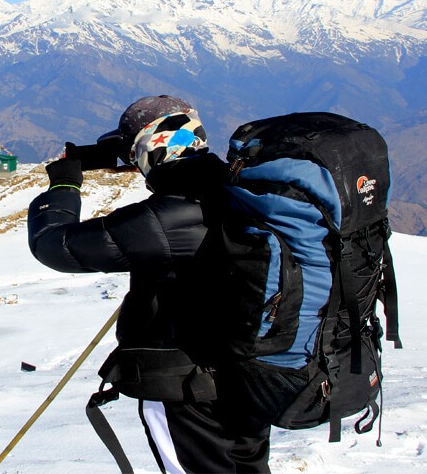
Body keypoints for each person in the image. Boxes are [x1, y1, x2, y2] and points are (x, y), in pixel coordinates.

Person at [27, 95, 271, 473]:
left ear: (146, 154)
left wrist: (64, 187)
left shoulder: (159, 220)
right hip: (253, 373)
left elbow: (54, 247)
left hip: (184, 384)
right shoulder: (245, 192)